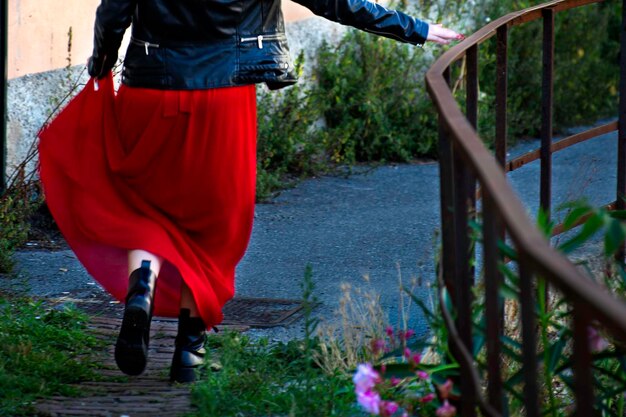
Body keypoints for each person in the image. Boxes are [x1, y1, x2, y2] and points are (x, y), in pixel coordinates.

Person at [39, 0, 462, 384]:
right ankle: (189, 352)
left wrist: (103, 61)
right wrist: (415, 28)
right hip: (223, 96)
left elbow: (113, 10)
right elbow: (336, 3)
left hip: (149, 86)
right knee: (215, 225)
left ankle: (142, 286)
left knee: (142, 202)